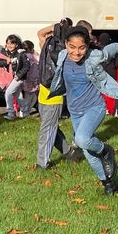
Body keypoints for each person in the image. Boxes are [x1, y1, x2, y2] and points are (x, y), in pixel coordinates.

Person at [47, 27, 118, 195]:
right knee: (88, 152)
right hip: (75, 111)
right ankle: (109, 184)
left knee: (82, 139)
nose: (76, 52)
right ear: (66, 45)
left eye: (81, 47)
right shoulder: (62, 56)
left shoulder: (93, 56)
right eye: (72, 47)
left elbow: (107, 53)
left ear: (87, 46)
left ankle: (106, 150)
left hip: (94, 107)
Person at [35, 20, 81, 169]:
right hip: (53, 95)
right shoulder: (66, 50)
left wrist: (54, 27)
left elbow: (40, 33)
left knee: (47, 129)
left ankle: (42, 163)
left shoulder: (46, 44)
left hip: (46, 94)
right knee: (50, 127)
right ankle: (68, 152)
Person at [0, 35, 30, 120]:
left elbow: (27, 66)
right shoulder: (4, 51)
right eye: (8, 43)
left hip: (18, 78)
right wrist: (6, 62)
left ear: (16, 44)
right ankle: (25, 111)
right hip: (9, 78)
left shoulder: (21, 53)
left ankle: (11, 113)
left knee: (8, 93)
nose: (9, 45)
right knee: (17, 95)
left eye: (12, 43)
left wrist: (18, 75)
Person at [21, 40, 40, 118]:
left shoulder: (23, 56)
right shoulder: (32, 56)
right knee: (31, 97)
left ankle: (26, 111)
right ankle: (24, 112)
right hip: (32, 79)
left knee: (29, 96)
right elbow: (39, 60)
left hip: (28, 79)